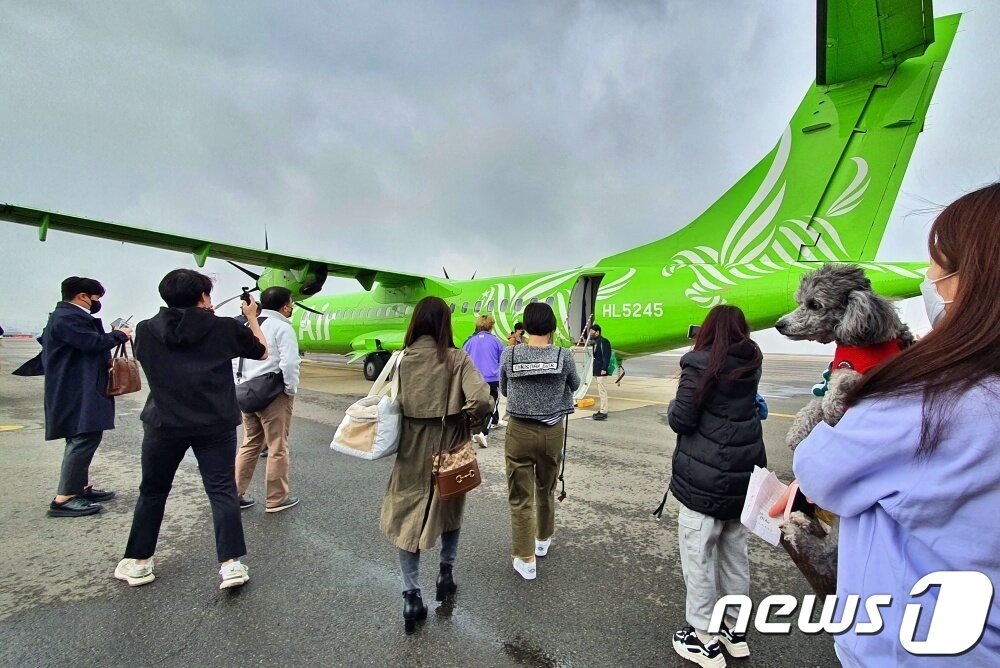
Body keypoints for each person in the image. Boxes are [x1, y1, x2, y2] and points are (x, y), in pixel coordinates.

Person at [771, 184, 1000, 666]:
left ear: (975, 279)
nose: (928, 277)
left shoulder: (926, 396)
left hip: (917, 645)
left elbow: (819, 469)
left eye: (939, 264)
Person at [113, 269, 267, 590]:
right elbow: (261, 350)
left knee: (153, 491)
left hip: (163, 423)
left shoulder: (144, 329)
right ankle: (231, 565)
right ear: (203, 297)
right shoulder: (223, 327)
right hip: (215, 423)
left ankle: (140, 563)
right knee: (221, 490)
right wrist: (251, 317)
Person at [379, 297, 491, 634]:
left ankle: (411, 594)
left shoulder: (400, 359)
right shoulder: (457, 359)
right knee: (450, 506)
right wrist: (468, 423)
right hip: (449, 442)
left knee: (405, 514)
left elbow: (390, 401)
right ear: (445, 324)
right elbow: (482, 399)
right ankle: (446, 573)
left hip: (411, 447)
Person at [666, 304, 764, 667]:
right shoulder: (751, 361)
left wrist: (677, 397)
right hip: (743, 476)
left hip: (704, 477)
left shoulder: (698, 363)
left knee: (699, 555)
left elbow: (682, 418)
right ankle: (734, 633)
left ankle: (704, 637)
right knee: (734, 555)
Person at [37, 277, 133, 517]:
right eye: (96, 298)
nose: (96, 303)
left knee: (82, 436)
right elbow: (91, 343)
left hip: (77, 386)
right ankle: (64, 498)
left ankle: (78, 487)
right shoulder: (68, 318)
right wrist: (119, 335)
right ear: (82, 296)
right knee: (83, 437)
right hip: (78, 388)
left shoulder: (62, 317)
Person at [499, 302, 580, 580]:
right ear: (552, 326)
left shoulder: (509, 354)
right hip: (552, 431)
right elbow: (575, 384)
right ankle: (543, 539)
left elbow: (504, 389)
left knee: (520, 496)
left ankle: (525, 557)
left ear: (527, 325)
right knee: (546, 488)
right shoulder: (564, 355)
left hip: (519, 430)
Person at [234, 286, 302, 512]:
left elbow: (235, 361)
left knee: (250, 443)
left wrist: (240, 384)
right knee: (277, 446)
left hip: (246, 392)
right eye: (291, 303)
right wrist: (290, 390)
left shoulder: (247, 324)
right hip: (273, 394)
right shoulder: (282, 327)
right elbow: (290, 363)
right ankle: (276, 499)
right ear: (284, 306)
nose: (292, 307)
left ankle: (234, 494)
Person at [462, 314, 505, 448]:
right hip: (491, 378)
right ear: (491, 326)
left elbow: (464, 359)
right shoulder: (496, 341)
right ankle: (483, 433)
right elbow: (502, 359)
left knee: (476, 405)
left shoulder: (470, 341)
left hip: (474, 378)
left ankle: (475, 430)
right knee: (492, 403)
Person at [590, 323, 612, 420]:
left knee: (602, 391)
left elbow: (607, 356)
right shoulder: (595, 342)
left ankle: (604, 411)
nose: (591, 334)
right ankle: (602, 409)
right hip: (597, 370)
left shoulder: (604, 342)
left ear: (597, 332)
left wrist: (604, 368)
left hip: (601, 370)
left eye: (592, 332)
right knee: (600, 391)